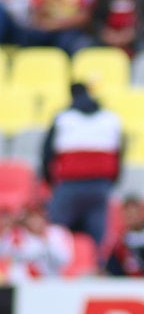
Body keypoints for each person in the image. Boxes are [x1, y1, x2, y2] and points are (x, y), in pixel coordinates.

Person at [42, 82, 124, 251]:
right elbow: (120, 154)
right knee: (98, 236)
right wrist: (111, 181)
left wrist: (50, 181)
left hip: (69, 184)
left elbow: (47, 154)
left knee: (56, 233)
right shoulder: (111, 118)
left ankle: (53, 272)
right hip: (100, 184)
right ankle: (98, 269)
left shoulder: (63, 118)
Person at [0, 202, 73, 283]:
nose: (34, 221)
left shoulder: (57, 233)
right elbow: (5, 255)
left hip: (51, 280)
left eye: (37, 217)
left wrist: (46, 242)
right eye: (31, 218)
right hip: (23, 282)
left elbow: (64, 260)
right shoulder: (17, 235)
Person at [20, 0, 96, 55]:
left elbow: (84, 18)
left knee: (75, 43)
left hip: (70, 30)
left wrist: (55, 25)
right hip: (45, 30)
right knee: (28, 38)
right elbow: (36, 18)